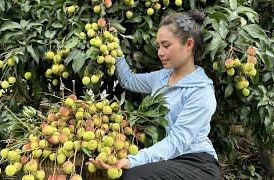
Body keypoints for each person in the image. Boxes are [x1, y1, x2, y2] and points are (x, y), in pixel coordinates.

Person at [89, 10, 220, 180]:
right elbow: (128, 80)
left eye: (166, 45)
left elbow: (176, 142)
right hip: (169, 159)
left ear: (188, 44)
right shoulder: (162, 77)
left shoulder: (201, 92)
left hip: (197, 163)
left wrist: (132, 160)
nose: (160, 52)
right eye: (158, 46)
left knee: (130, 177)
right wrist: (114, 44)